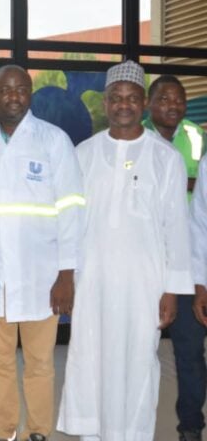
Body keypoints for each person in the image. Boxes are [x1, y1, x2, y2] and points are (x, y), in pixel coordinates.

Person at [57, 60, 193, 440]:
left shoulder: (166, 158)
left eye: (132, 98)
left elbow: (176, 228)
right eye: (116, 98)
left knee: (138, 363)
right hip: (93, 281)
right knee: (90, 357)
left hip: (144, 284)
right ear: (105, 102)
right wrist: (66, 273)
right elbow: (69, 221)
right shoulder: (83, 153)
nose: (123, 105)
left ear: (144, 102)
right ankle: (93, 434)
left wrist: (171, 289)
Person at [0, 65, 85, 441]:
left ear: (30, 94)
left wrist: (67, 273)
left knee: (40, 362)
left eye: (22, 89)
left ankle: (38, 430)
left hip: (42, 274)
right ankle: (2, 429)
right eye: (6, 89)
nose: (14, 96)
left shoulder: (53, 140)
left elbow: (72, 207)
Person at [144, 74, 207, 441]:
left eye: (178, 99)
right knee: (142, 347)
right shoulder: (138, 141)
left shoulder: (197, 138)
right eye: (164, 99)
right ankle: (132, 419)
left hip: (189, 260)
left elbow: (201, 201)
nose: (172, 105)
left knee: (188, 351)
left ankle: (190, 428)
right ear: (150, 104)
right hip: (150, 259)